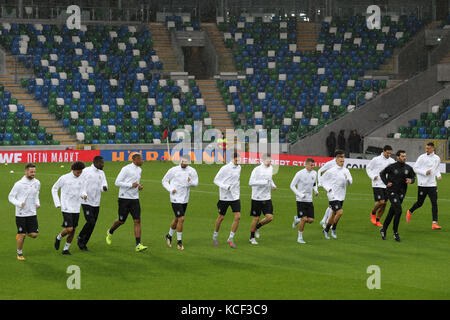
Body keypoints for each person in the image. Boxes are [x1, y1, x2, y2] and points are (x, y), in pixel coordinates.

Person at [106, 153, 147, 252]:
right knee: (121, 221)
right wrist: (130, 185)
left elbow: (135, 184)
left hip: (135, 199)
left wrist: (138, 187)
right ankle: (110, 231)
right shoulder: (126, 169)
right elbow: (117, 182)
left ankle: (138, 244)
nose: (143, 161)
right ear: (135, 160)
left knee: (137, 221)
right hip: (124, 198)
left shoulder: (139, 170)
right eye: (141, 159)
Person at [162, 154, 199, 250]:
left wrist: (190, 182)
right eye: (182, 161)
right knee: (181, 218)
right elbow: (164, 181)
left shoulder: (192, 171)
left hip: (185, 198)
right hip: (175, 198)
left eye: (185, 162)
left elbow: (196, 183)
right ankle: (179, 242)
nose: (183, 163)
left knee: (177, 219)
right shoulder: (173, 170)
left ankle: (169, 235)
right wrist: (171, 189)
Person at [379, 150, 415, 242]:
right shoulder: (391, 167)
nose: (404, 158)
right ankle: (395, 233)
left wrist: (411, 181)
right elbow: (382, 173)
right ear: (397, 157)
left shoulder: (408, 168)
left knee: (392, 212)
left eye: (405, 156)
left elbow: (413, 177)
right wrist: (386, 182)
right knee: (398, 211)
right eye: (402, 156)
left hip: (402, 193)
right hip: (391, 191)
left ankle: (383, 229)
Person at [52, 161, 87, 255]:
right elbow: (54, 188)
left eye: (81, 172)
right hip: (66, 206)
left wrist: (84, 195)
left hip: (76, 207)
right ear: (73, 170)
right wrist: (57, 203)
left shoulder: (82, 179)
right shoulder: (64, 178)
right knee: (69, 229)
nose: (79, 174)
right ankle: (58, 237)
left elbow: (83, 190)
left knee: (74, 229)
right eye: (78, 172)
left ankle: (65, 249)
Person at [8, 163, 40, 261]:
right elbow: (11, 197)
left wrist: (37, 203)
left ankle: (20, 233)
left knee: (34, 235)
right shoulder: (19, 184)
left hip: (32, 213)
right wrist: (19, 203)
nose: (33, 173)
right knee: (23, 234)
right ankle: (19, 253)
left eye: (34, 171)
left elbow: (36, 194)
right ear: (26, 171)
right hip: (21, 214)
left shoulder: (37, 183)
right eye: (31, 172)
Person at [406, 142, 442, 230]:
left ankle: (434, 223)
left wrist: (438, 175)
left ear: (433, 148)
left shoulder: (437, 158)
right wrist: (425, 172)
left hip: (432, 184)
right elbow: (415, 168)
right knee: (420, 203)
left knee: (434, 203)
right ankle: (410, 211)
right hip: (422, 184)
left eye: (428, 148)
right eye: (426, 148)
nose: (427, 150)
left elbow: (436, 168)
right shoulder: (422, 157)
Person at [77, 156, 108, 251]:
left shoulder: (102, 173)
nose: (103, 165)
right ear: (96, 162)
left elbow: (104, 184)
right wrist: (83, 194)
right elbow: (79, 183)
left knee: (93, 224)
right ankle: (80, 237)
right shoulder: (86, 171)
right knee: (91, 221)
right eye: (101, 163)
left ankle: (84, 243)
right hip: (86, 201)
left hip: (96, 202)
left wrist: (104, 188)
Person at [212, 152, 241, 248]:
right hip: (224, 196)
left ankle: (231, 238)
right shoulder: (225, 168)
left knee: (238, 217)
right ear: (232, 159)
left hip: (235, 197)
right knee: (221, 217)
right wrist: (225, 186)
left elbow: (237, 180)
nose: (238, 161)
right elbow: (216, 180)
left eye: (239, 160)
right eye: (236, 160)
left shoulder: (239, 168)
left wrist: (236, 190)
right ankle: (215, 237)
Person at [321, 153, 353, 239]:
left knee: (333, 214)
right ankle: (334, 228)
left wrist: (347, 180)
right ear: (336, 161)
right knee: (340, 212)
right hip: (332, 195)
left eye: (343, 161)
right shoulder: (331, 170)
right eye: (340, 161)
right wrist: (328, 188)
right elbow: (322, 180)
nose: (342, 163)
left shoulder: (346, 171)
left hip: (341, 195)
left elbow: (350, 183)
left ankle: (326, 230)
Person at [249, 153, 277, 245]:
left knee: (270, 217)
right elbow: (251, 182)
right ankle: (251, 237)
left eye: (270, 160)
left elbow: (270, 179)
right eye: (268, 161)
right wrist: (263, 182)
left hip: (267, 197)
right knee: (256, 217)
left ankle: (257, 227)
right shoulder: (257, 170)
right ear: (263, 160)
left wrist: (273, 185)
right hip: (256, 197)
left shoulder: (271, 168)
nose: (270, 162)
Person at [290, 158, 319, 244]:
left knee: (310, 220)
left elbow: (314, 183)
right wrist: (300, 194)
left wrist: (316, 190)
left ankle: (297, 219)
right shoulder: (299, 174)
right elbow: (292, 185)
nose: (312, 167)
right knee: (304, 219)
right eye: (311, 165)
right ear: (306, 164)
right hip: (300, 200)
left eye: (313, 165)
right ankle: (299, 237)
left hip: (309, 200)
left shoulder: (314, 173)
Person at [366, 145, 395, 227]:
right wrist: (372, 176)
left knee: (385, 204)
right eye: (387, 153)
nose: (388, 155)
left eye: (390, 153)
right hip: (377, 183)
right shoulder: (376, 159)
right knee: (381, 201)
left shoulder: (392, 161)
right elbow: (368, 168)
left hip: (387, 184)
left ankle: (378, 220)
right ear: (383, 151)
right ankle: (373, 213)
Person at [317, 150, 345, 228]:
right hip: (330, 188)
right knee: (333, 207)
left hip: (337, 189)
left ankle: (323, 220)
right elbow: (320, 171)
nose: (343, 158)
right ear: (337, 156)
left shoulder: (341, 163)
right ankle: (326, 222)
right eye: (342, 156)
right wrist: (320, 182)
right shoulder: (330, 163)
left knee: (331, 206)